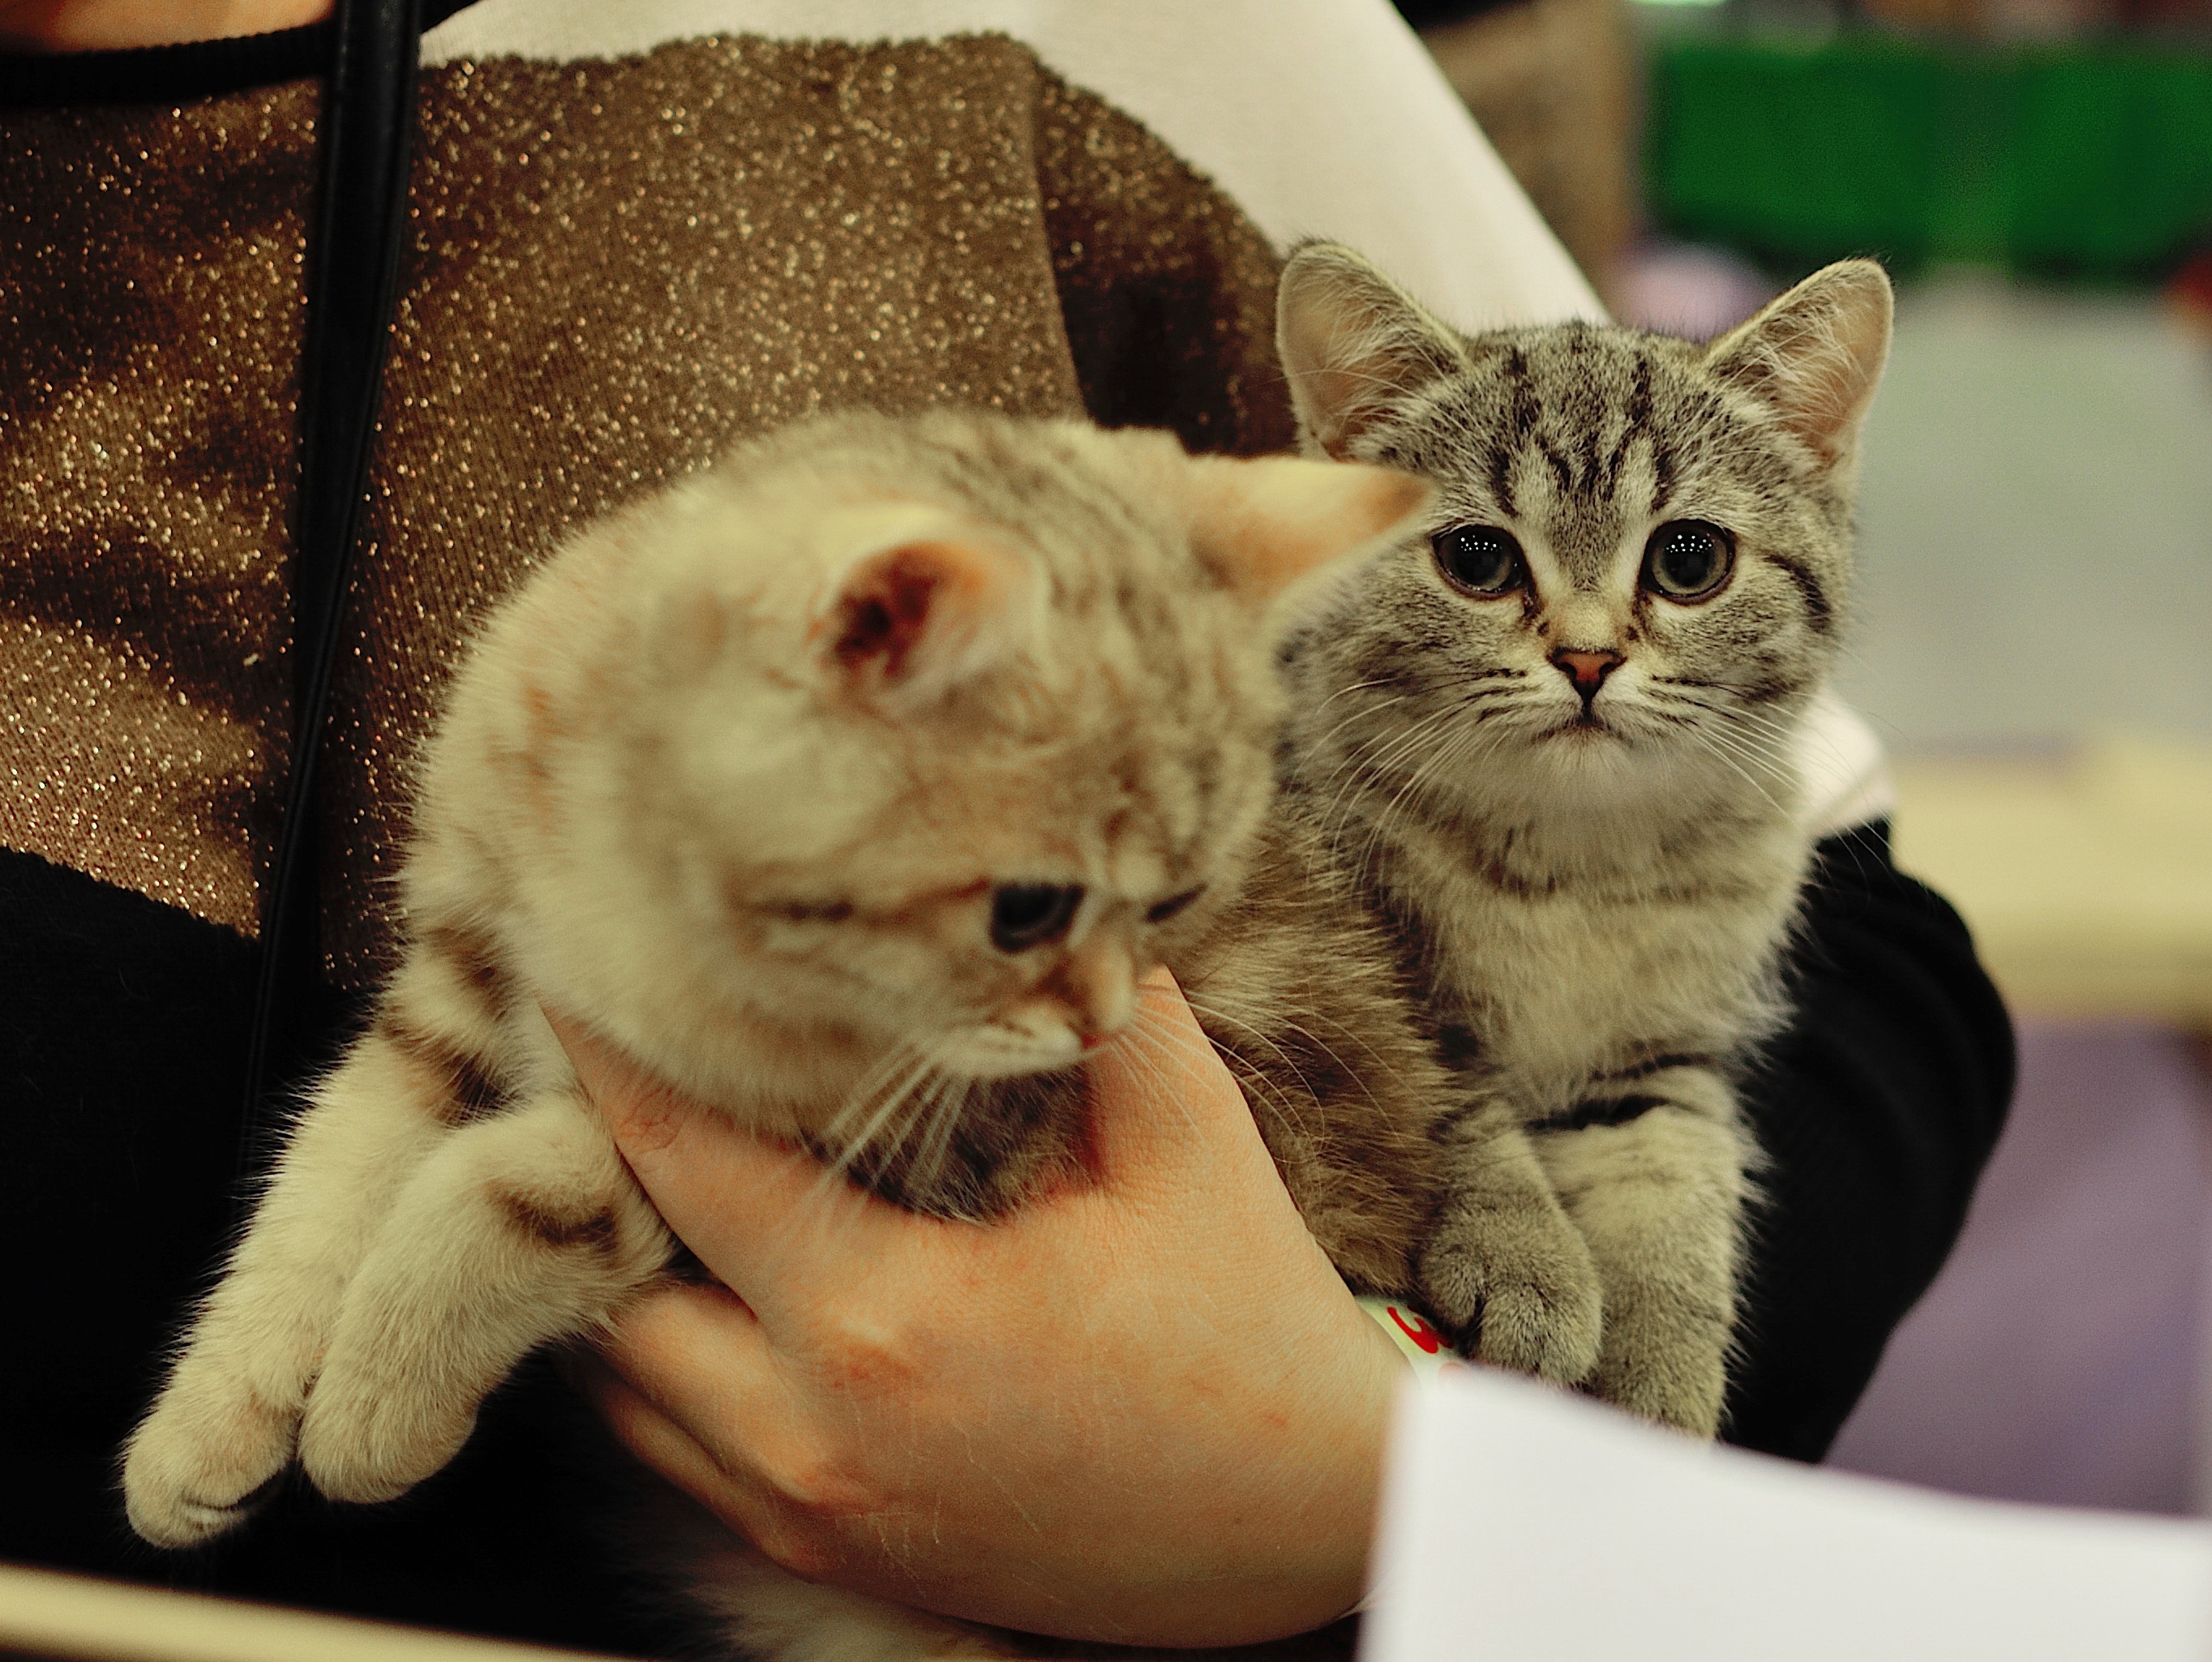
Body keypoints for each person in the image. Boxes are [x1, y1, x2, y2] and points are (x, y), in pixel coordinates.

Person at [0, 0, 2013, 1652]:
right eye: (1488, 566)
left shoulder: (1076, 39)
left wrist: (1374, 1492)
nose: (1582, 643)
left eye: (1669, 569)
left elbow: (1865, 976)